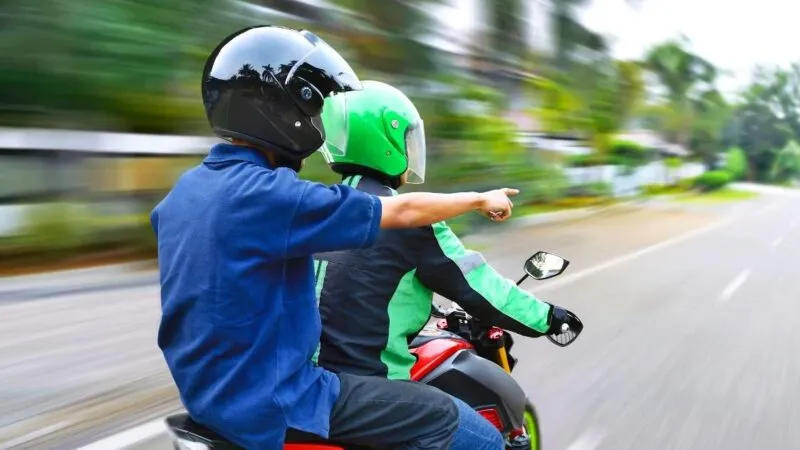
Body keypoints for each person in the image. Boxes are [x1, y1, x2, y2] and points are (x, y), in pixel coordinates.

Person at [150, 26, 521, 450]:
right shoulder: (271, 197)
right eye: (312, 108)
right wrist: (479, 199)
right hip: (282, 400)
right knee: (466, 427)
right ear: (279, 109)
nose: (316, 122)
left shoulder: (184, 193)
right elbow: (403, 210)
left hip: (209, 398)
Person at [312, 81, 584, 447]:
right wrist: (549, 317)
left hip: (305, 382)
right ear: (387, 142)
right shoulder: (410, 222)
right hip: (367, 386)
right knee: (485, 441)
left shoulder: (313, 207)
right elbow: (478, 287)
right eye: (408, 139)